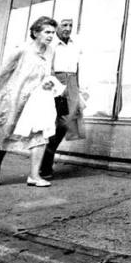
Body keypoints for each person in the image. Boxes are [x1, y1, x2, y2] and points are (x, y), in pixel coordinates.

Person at [0, 16, 60, 187]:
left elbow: (48, 73)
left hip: (38, 99)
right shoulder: (22, 49)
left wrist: (49, 81)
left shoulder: (51, 51)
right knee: (5, 133)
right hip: (14, 99)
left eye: (53, 33)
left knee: (40, 134)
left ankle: (34, 176)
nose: (50, 36)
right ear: (35, 32)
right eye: (47, 32)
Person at [40, 17, 85, 180]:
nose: (68, 28)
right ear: (57, 26)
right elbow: (47, 68)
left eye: (71, 25)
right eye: (64, 24)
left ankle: (44, 162)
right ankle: (44, 165)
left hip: (72, 83)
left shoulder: (75, 44)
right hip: (56, 83)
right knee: (54, 124)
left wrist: (80, 90)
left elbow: (78, 67)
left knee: (66, 124)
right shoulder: (51, 44)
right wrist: (55, 88)